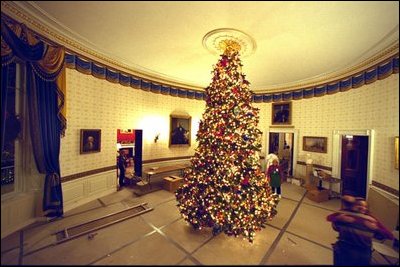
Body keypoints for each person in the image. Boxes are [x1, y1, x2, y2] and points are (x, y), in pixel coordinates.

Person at [327, 195, 394, 266]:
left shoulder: (370, 219)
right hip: (344, 248)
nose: (363, 208)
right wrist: (338, 218)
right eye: (359, 205)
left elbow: (390, 236)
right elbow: (330, 219)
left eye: (365, 206)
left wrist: (375, 228)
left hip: (363, 251)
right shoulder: (345, 214)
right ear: (352, 206)